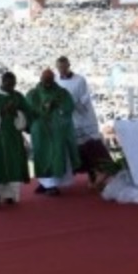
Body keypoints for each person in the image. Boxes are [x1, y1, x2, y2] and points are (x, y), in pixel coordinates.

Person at [56, 56, 114, 188]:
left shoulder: (79, 80)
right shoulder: (56, 80)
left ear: (68, 65)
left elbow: (85, 97)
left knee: (91, 145)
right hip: (68, 119)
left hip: (83, 117)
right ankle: (90, 173)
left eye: (64, 66)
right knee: (79, 148)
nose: (62, 70)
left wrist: (72, 105)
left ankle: (103, 170)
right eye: (59, 67)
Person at [0, 71, 33, 209]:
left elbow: (28, 112)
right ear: (2, 82)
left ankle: (10, 195)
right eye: (8, 84)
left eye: (13, 84)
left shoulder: (18, 96)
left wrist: (16, 113)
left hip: (13, 136)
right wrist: (1, 112)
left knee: (13, 163)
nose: (11, 87)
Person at [26, 69, 76, 196]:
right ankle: (45, 183)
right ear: (41, 78)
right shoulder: (33, 94)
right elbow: (28, 111)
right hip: (40, 130)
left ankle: (52, 184)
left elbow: (69, 108)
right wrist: (45, 108)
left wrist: (57, 107)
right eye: (45, 79)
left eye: (50, 79)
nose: (47, 81)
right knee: (41, 155)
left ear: (53, 79)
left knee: (56, 155)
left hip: (56, 130)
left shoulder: (61, 93)